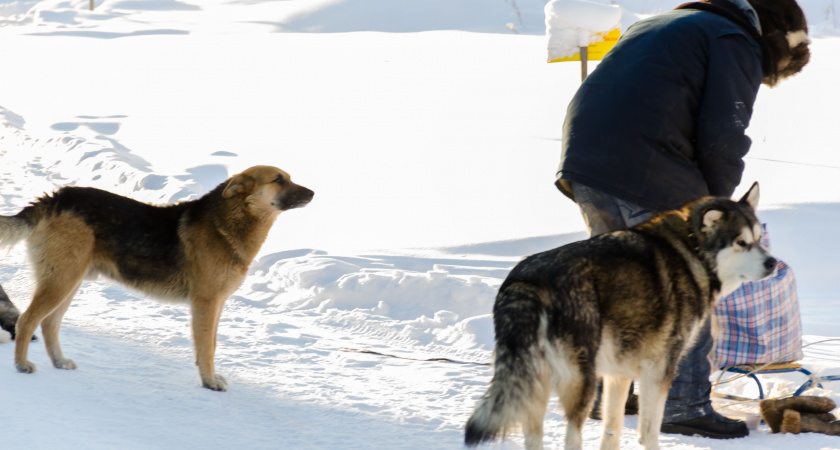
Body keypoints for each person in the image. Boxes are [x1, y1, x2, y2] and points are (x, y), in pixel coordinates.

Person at [555, 0, 810, 440]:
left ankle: (604, 391)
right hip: (646, 162)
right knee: (688, 285)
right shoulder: (735, 39)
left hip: (586, 161)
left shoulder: (666, 24)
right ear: (778, 40)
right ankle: (684, 403)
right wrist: (721, 212)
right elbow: (723, 134)